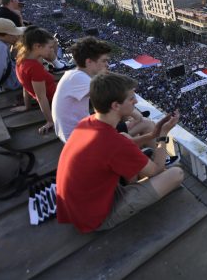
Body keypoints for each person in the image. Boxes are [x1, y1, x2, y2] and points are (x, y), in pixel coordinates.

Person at [56, 72, 184, 233]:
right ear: (115, 106)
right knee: (176, 174)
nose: (136, 101)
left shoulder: (87, 122)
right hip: (95, 218)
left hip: (79, 206)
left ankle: (137, 179)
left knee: (125, 138)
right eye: (131, 99)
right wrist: (163, 135)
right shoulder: (112, 142)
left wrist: (152, 135)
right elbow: (155, 170)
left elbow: (122, 144)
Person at [52, 37, 112, 142]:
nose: (107, 65)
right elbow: (113, 98)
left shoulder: (75, 74)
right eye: (104, 61)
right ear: (89, 62)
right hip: (77, 138)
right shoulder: (80, 79)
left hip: (74, 132)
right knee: (145, 125)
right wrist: (135, 116)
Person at [14, 26, 58, 134]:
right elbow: (41, 98)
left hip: (54, 92)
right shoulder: (34, 68)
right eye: (50, 47)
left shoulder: (22, 59)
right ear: (37, 46)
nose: (52, 50)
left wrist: (27, 106)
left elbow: (25, 86)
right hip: (56, 98)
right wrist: (50, 121)